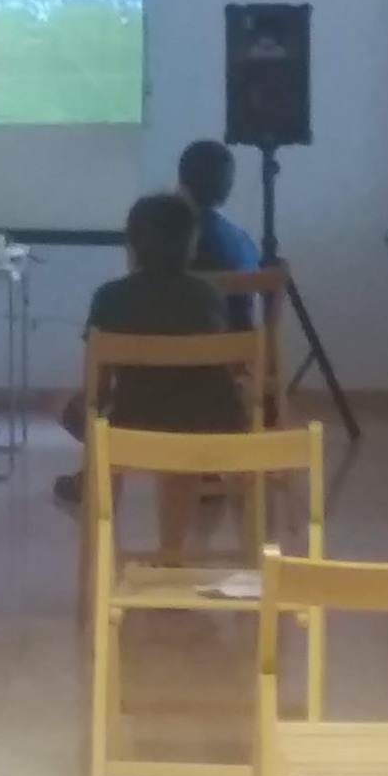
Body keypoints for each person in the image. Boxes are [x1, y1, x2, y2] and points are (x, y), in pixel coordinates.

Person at [51, 193, 248, 505]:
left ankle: (97, 492)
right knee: (184, 411)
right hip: (212, 427)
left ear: (132, 247)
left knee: (72, 406)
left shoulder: (110, 298)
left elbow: (95, 389)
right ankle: (188, 503)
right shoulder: (208, 296)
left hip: (135, 426)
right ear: (191, 246)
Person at [177, 140, 262, 332]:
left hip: (179, 345)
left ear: (181, 183)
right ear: (228, 188)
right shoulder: (244, 243)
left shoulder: (170, 242)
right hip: (236, 345)